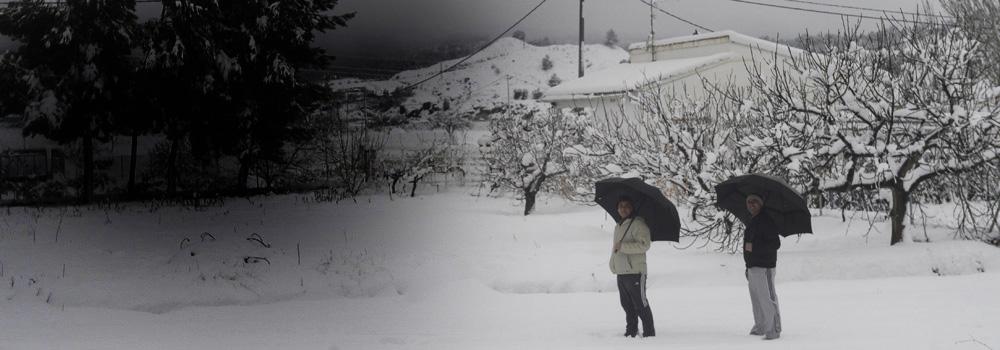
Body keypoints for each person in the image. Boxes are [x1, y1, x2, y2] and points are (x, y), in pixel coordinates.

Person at [609, 195, 655, 338]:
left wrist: (622, 246)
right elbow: (616, 249)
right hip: (622, 272)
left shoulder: (639, 224)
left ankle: (649, 333)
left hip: (635, 271)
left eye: (627, 205)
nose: (623, 209)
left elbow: (644, 245)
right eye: (621, 206)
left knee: (640, 304)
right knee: (627, 305)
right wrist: (613, 264)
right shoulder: (619, 225)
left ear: (632, 207)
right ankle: (631, 331)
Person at [743, 194, 782, 340]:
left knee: (767, 297)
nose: (751, 204)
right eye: (748, 202)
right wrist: (748, 266)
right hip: (752, 266)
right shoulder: (752, 221)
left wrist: (755, 247)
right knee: (757, 298)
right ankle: (760, 326)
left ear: (760, 204)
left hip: (765, 266)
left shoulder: (766, 221)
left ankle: (773, 329)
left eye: (755, 202)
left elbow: (775, 244)